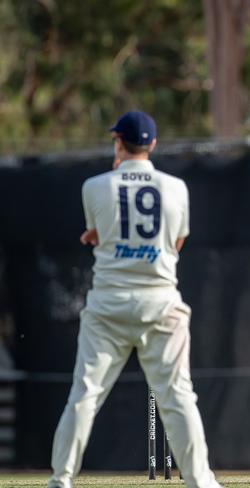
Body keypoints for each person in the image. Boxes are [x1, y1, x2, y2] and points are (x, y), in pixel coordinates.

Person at [48, 111, 222, 488]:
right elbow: (176, 243)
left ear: (118, 142)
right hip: (160, 301)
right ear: (153, 145)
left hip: (109, 304)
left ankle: (60, 479)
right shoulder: (176, 187)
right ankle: (201, 482)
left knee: (84, 395)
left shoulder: (94, 186)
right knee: (178, 398)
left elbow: (98, 232)